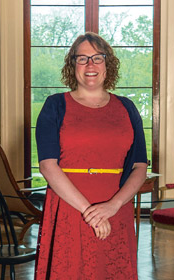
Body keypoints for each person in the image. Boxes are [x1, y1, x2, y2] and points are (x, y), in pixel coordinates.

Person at [35, 32, 148, 279]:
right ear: (71, 65)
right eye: (82, 58)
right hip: (69, 209)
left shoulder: (127, 108)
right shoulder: (54, 105)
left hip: (116, 210)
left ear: (108, 65)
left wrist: (113, 205)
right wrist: (90, 212)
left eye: (97, 58)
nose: (90, 65)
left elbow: (140, 166)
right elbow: (47, 166)